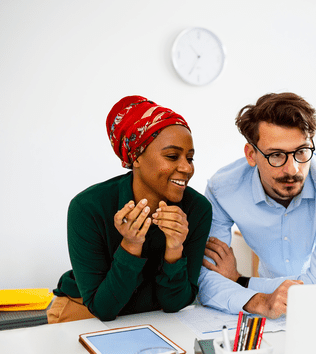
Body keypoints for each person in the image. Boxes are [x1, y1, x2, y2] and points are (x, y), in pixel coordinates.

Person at [49, 95, 212, 322]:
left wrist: (175, 249)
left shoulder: (197, 209)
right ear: (136, 156)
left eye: (190, 158)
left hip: (154, 317)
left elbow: (175, 303)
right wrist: (131, 245)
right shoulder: (87, 208)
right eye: (172, 156)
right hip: (84, 313)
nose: (186, 168)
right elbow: (103, 309)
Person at [198, 92, 316, 319]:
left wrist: (241, 281)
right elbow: (207, 280)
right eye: (276, 155)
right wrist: (259, 300)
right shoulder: (223, 190)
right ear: (251, 155)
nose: (292, 169)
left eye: (301, 151)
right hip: (270, 291)